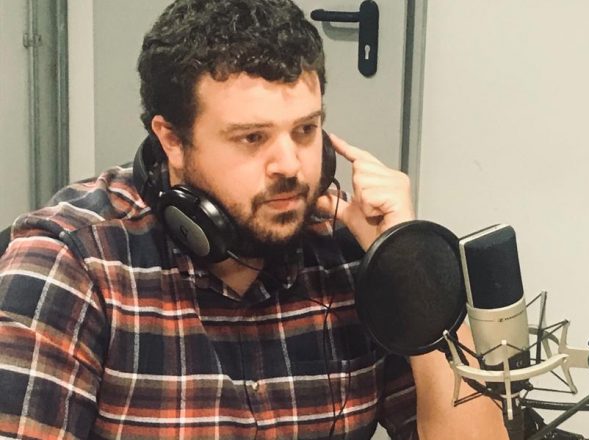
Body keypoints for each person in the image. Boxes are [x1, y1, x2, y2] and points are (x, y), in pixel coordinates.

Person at [0, 1, 507, 439]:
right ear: (172, 140)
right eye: (252, 137)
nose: (290, 166)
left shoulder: (350, 247)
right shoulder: (72, 261)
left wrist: (408, 264)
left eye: (305, 130)